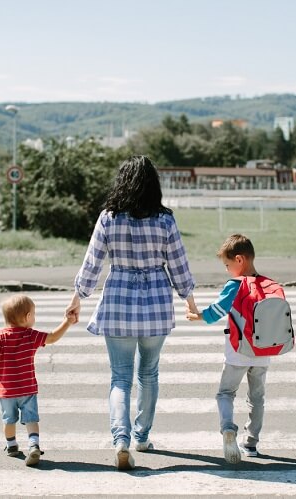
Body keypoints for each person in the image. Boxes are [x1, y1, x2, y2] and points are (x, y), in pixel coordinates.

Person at [65, 155, 197, 471]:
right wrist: (189, 301)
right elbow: (178, 263)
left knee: (119, 377)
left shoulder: (108, 218)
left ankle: (121, 441)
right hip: (155, 305)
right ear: (153, 184)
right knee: (149, 373)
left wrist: (77, 297)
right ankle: (142, 436)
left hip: (118, 302)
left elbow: (92, 263)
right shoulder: (165, 220)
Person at [186, 234, 269, 464]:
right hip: (263, 352)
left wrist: (198, 316)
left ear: (239, 260)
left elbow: (217, 310)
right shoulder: (268, 284)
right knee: (257, 397)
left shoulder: (236, 285)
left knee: (225, 393)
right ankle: (251, 443)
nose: (227, 270)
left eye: (227, 265)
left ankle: (228, 429)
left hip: (238, 351)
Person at [0, 294, 76, 466]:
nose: (34, 316)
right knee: (31, 419)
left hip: (7, 390)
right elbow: (53, 337)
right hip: (27, 389)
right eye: (34, 313)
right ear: (27, 317)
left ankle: (11, 446)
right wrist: (67, 322)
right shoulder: (31, 335)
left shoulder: (1, 336)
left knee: (8, 420)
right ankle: (33, 445)